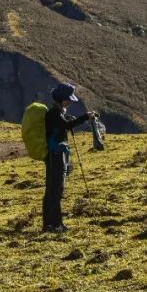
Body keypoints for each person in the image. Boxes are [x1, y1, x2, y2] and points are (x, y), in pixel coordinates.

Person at [43, 82, 97, 232]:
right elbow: (66, 126)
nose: (70, 102)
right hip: (56, 155)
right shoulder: (55, 113)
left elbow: (63, 124)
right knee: (56, 189)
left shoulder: (57, 112)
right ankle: (55, 224)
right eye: (68, 99)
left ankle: (50, 224)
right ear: (62, 99)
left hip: (55, 155)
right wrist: (85, 117)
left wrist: (68, 118)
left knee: (52, 189)